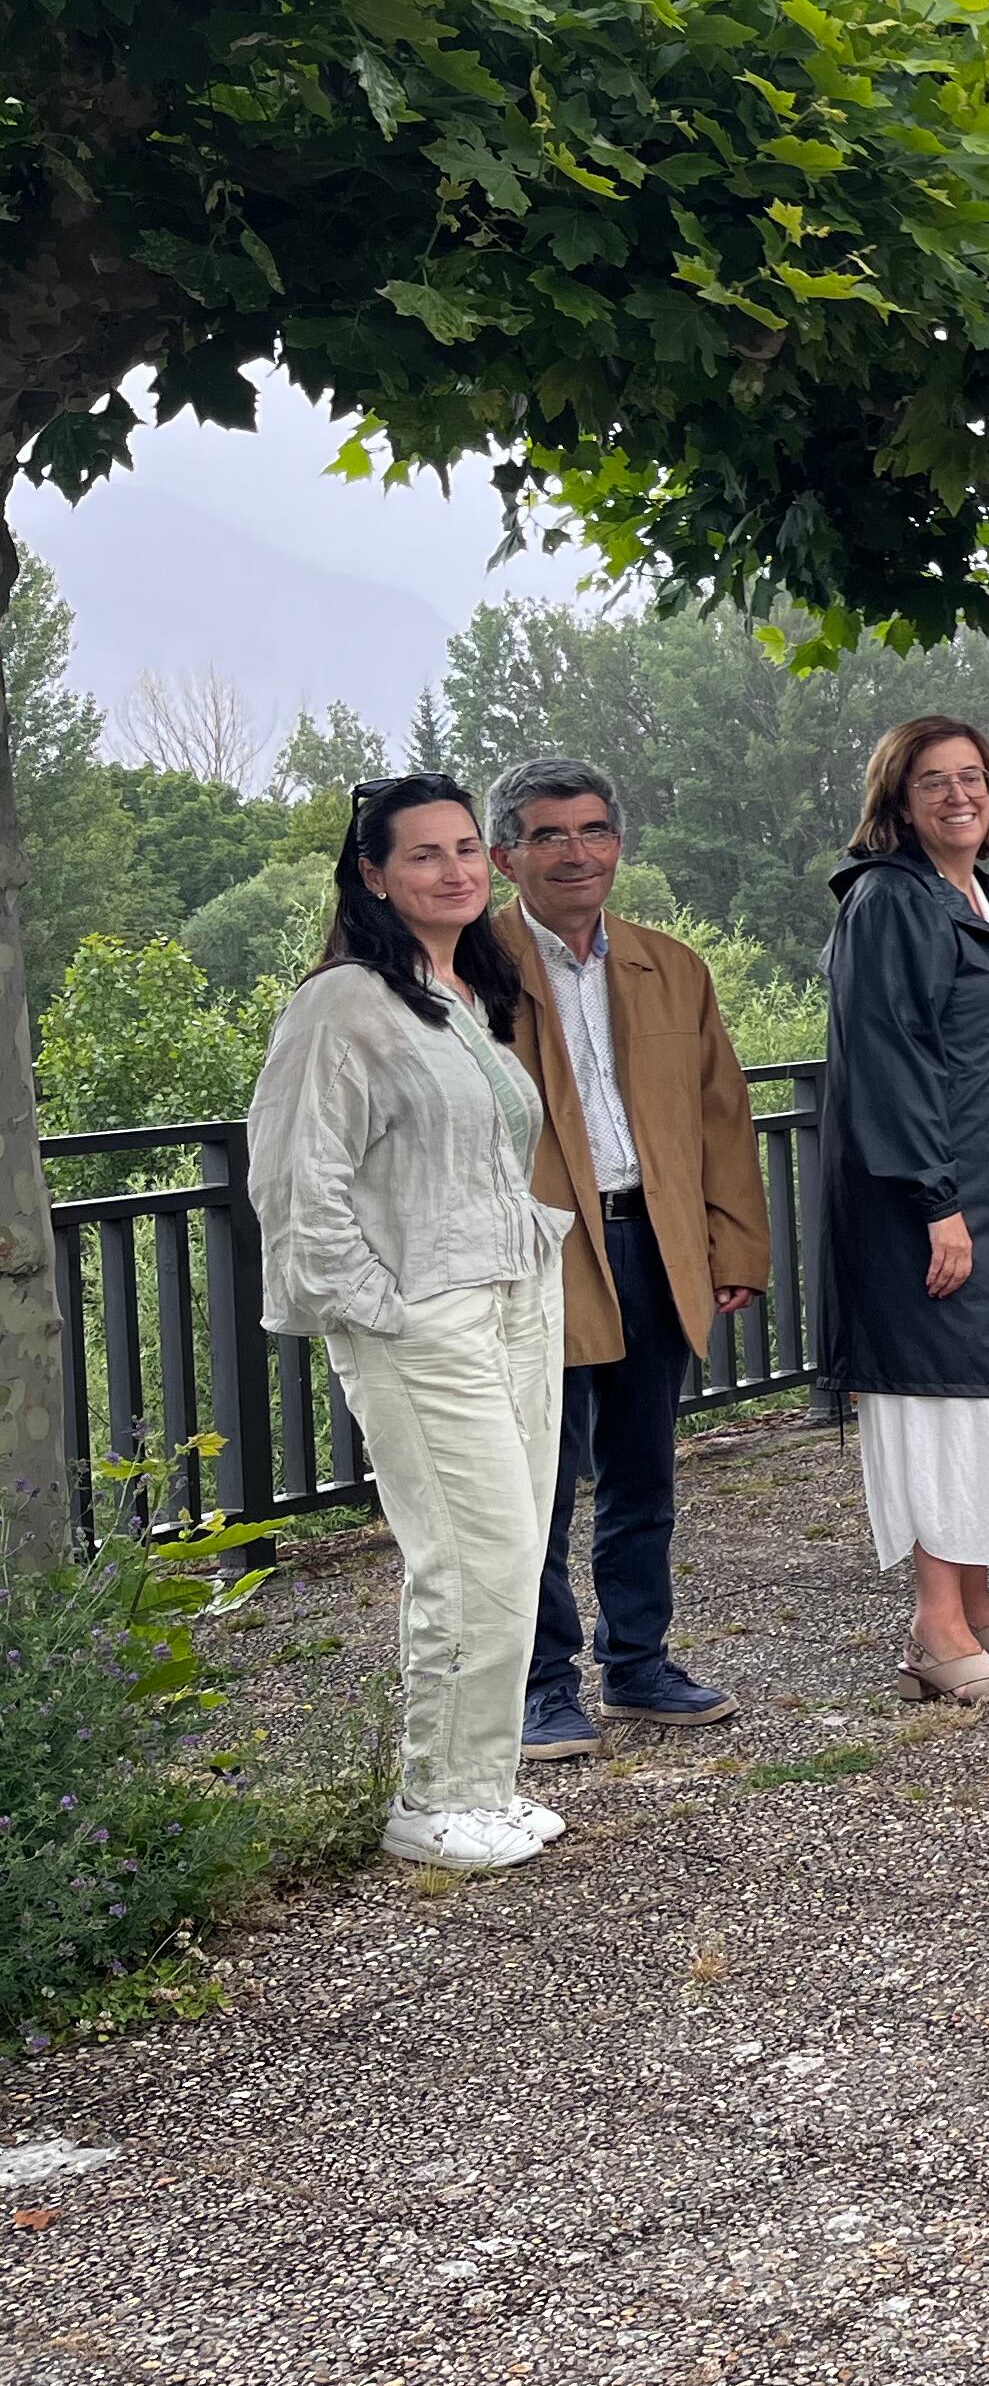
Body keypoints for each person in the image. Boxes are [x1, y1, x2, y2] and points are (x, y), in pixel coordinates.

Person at [246, 777, 578, 1875]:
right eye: (425, 854)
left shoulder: (463, 993)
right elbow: (297, 1181)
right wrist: (379, 1308)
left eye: (469, 848)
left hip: (516, 1299)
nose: (456, 870)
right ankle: (431, 1798)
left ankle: (484, 1783)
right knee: (470, 1557)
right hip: (423, 1316)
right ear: (374, 877)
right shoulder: (340, 1005)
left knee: (516, 1551)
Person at [485, 755, 774, 1763]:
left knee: (645, 1470)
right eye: (550, 834)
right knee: (539, 1477)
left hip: (652, 1239)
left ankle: (640, 1662)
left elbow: (721, 1115)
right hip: (537, 1250)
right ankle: (539, 1683)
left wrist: (732, 1242)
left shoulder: (668, 964)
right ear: (503, 855)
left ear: (619, 844)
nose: (576, 852)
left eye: (595, 830)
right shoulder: (467, 969)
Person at [817, 716, 989, 1706]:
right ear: (897, 797)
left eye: (974, 778)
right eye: (934, 781)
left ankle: (975, 1607)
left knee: (981, 1403)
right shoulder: (890, 901)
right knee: (933, 1404)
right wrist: (938, 1205)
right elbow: (892, 1062)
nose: (959, 795)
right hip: (936, 1207)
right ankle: (933, 1627)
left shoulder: (977, 895)